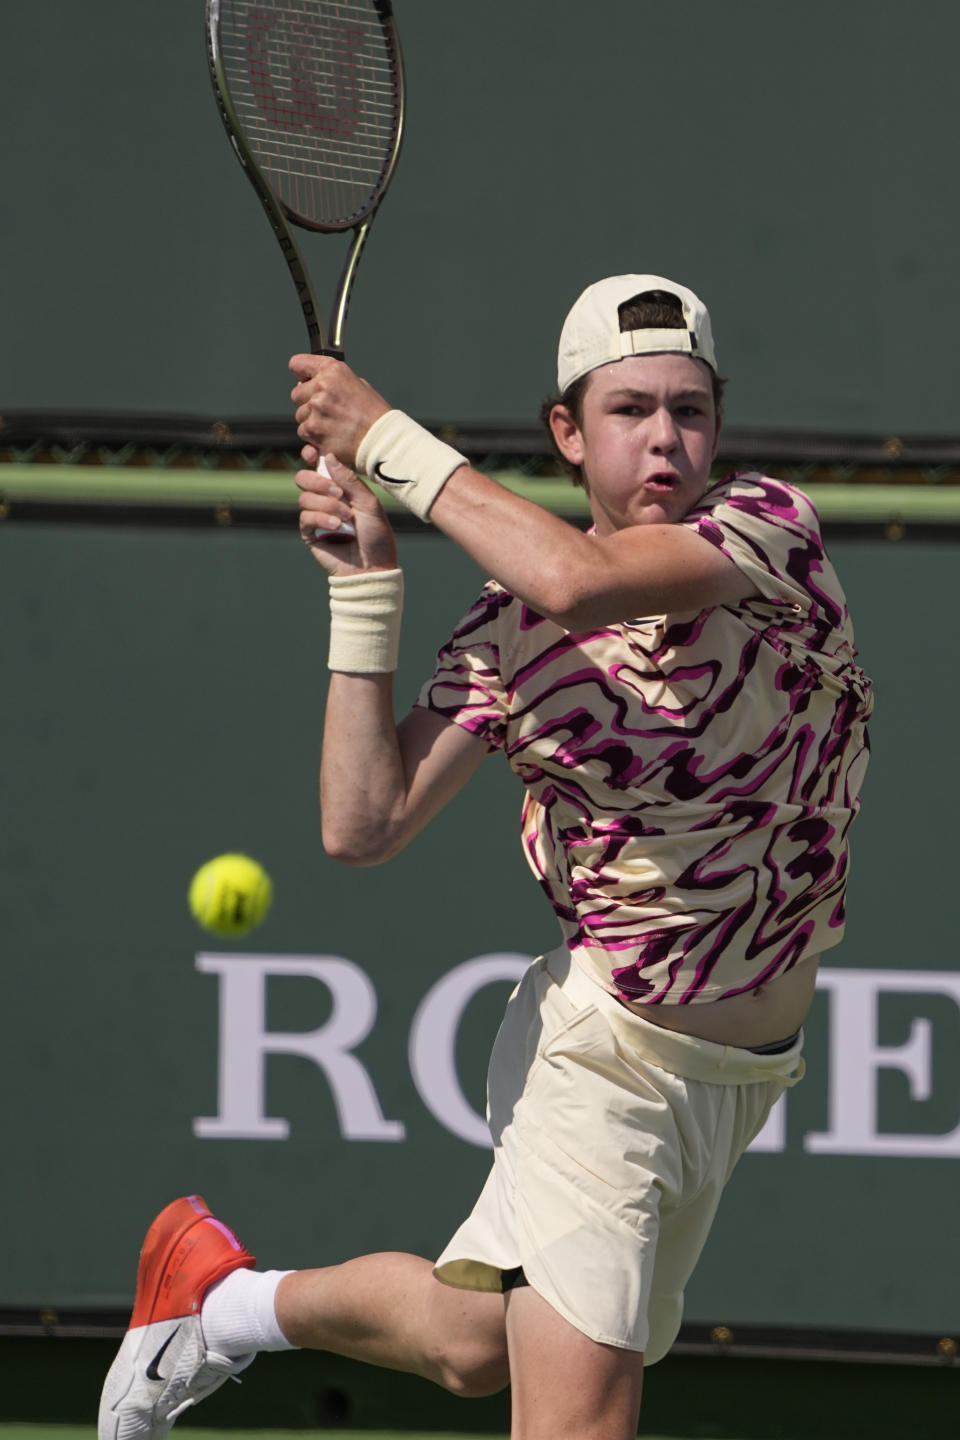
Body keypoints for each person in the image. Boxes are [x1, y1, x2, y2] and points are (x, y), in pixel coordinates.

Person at [99, 276, 872, 1440]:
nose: (666, 438)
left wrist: (387, 439)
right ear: (568, 431)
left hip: (740, 1077)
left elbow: (580, 579)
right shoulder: (510, 636)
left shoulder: (768, 532)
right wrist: (367, 593)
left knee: (471, 1348)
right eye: (628, 410)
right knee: (578, 1422)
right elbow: (365, 822)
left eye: (691, 409)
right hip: (603, 1058)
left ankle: (220, 1302)